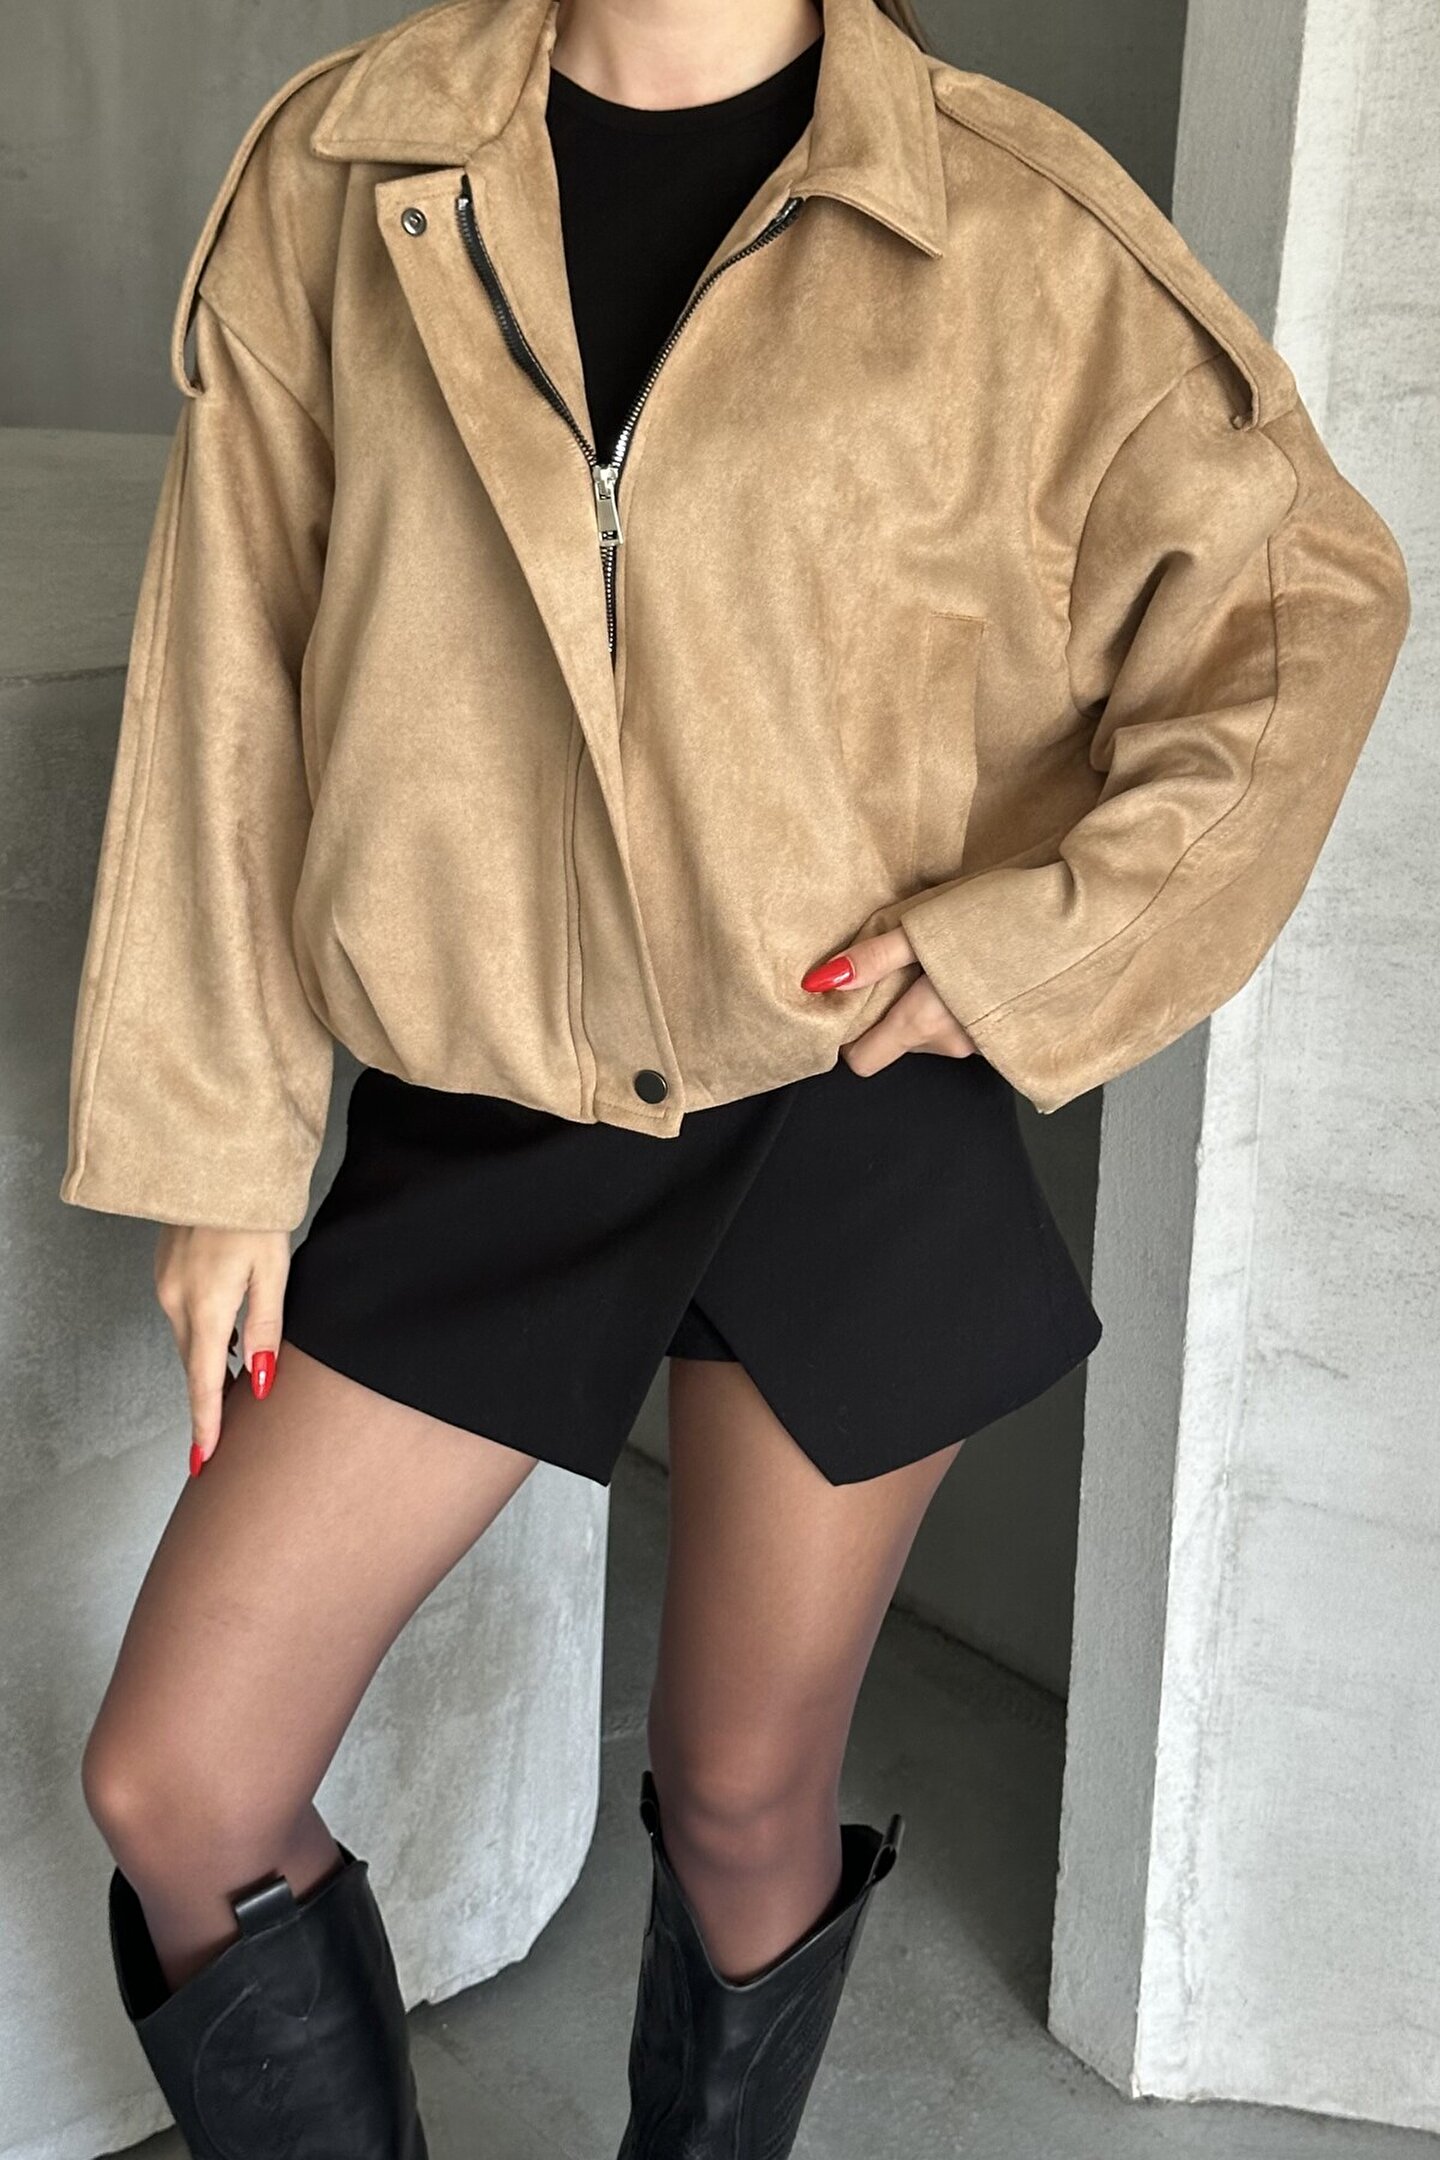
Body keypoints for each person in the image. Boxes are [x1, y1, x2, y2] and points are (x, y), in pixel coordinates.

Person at [59, 0, 1410, 2152]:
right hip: (490, 1111)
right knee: (182, 1785)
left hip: (842, 1105)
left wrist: (1020, 951)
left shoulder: (1010, 221)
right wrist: (219, 1139)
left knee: (741, 1792)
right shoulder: (351, 166)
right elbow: (233, 671)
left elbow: (1300, 606)